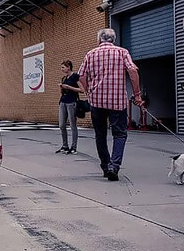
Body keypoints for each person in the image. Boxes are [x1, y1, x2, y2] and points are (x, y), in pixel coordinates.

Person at [78, 28, 144, 181]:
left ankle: (105, 165)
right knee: (119, 134)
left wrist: (89, 91)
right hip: (118, 101)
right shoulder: (122, 52)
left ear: (99, 40)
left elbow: (81, 76)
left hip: (97, 101)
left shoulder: (91, 54)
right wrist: (137, 95)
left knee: (100, 135)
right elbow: (133, 72)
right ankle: (114, 166)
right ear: (113, 40)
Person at [56, 60, 84, 155]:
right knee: (61, 125)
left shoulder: (75, 76)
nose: (62, 69)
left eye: (63, 67)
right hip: (63, 101)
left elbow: (82, 90)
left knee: (72, 125)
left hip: (72, 102)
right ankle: (65, 145)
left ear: (68, 67)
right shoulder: (64, 78)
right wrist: (62, 87)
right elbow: (62, 92)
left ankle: (73, 147)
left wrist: (69, 87)